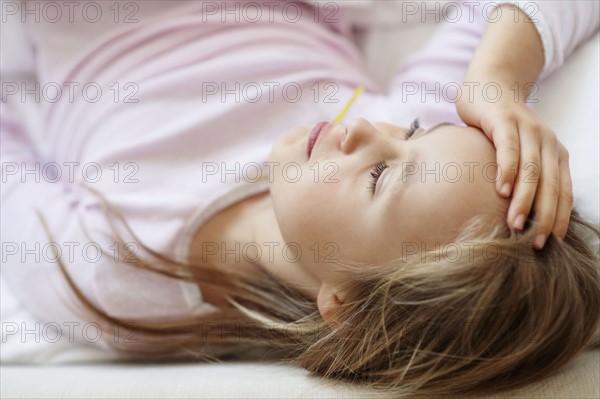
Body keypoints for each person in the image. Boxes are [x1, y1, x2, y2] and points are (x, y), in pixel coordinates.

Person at [1, 1, 599, 397]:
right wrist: (496, 79)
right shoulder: (394, 129)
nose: (363, 130)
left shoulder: (116, 275)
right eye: (414, 133)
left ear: (345, 304)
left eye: (377, 179)